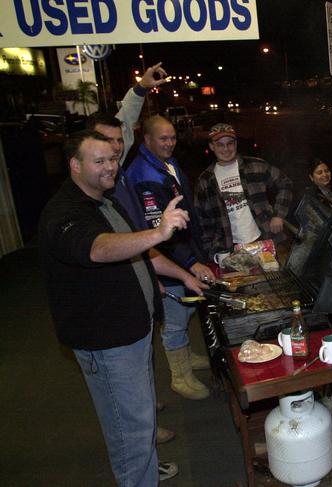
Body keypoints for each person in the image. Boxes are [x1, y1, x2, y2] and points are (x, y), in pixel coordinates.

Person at [38, 130, 187, 484]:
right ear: (75, 165)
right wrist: (159, 232)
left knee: (141, 419)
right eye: (99, 161)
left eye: (113, 159)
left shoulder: (104, 200)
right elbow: (98, 248)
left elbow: (134, 248)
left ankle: (146, 471)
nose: (110, 167)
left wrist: (186, 274)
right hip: (107, 341)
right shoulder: (64, 213)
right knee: (130, 430)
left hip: (133, 332)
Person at [87, 64, 207, 444]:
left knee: (162, 331)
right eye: (105, 148)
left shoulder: (132, 169)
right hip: (122, 288)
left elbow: (153, 233)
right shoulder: (128, 179)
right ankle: (164, 392)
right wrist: (178, 267)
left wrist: (139, 88)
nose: (113, 151)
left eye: (117, 144)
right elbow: (149, 234)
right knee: (159, 331)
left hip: (146, 265)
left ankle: (151, 397)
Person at [126, 116, 215, 401]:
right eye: (163, 138)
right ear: (147, 140)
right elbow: (159, 234)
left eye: (173, 137)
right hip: (167, 262)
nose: (169, 143)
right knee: (175, 319)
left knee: (187, 309)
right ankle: (180, 376)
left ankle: (186, 356)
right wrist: (190, 263)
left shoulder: (167, 163)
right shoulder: (144, 177)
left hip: (183, 253)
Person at [194, 123, 293, 264]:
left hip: (263, 239)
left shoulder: (256, 166)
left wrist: (278, 215)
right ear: (211, 147)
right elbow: (202, 221)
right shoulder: (205, 181)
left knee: (270, 281)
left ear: (236, 144)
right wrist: (212, 251)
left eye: (230, 143)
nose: (226, 149)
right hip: (229, 248)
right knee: (242, 285)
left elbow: (285, 184)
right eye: (220, 145)